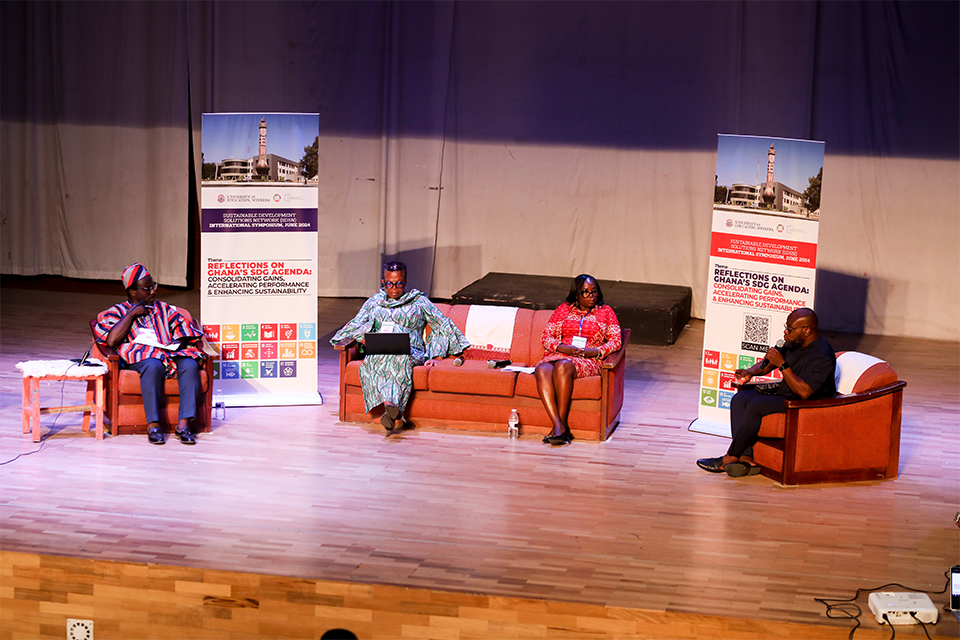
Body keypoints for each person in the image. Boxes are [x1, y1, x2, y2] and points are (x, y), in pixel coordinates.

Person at [331, 260, 470, 434]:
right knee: (377, 358)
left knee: (400, 358)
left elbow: (442, 324)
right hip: (379, 350)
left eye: (399, 283)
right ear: (383, 282)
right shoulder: (374, 303)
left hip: (410, 351)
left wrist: (436, 355)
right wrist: (365, 337)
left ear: (405, 282)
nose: (394, 288)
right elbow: (352, 326)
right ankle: (395, 413)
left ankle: (391, 407)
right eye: (389, 283)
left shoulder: (418, 301)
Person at [697, 307, 836, 477]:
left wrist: (783, 364)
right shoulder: (793, 343)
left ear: (807, 330)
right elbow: (768, 365)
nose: (785, 332)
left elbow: (805, 392)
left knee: (757, 404)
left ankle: (729, 458)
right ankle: (745, 457)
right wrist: (751, 372)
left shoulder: (823, 355)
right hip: (787, 394)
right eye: (786, 327)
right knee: (740, 399)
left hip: (806, 405)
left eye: (790, 329)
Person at [94, 263, 207, 445]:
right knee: (153, 365)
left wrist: (176, 343)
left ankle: (183, 425)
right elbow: (111, 340)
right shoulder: (117, 311)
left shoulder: (163, 308)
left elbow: (185, 330)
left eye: (153, 286)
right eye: (147, 289)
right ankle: (153, 425)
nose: (153, 292)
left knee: (189, 364)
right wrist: (131, 315)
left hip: (169, 354)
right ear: (132, 291)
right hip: (141, 357)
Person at [534, 274, 622, 445]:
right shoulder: (563, 310)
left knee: (563, 367)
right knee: (542, 368)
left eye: (594, 291)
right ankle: (559, 426)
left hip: (589, 359)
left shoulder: (606, 312)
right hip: (562, 353)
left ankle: (559, 428)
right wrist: (561, 347)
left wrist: (595, 351)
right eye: (586, 292)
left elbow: (616, 340)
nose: (592, 296)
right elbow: (546, 336)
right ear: (576, 294)